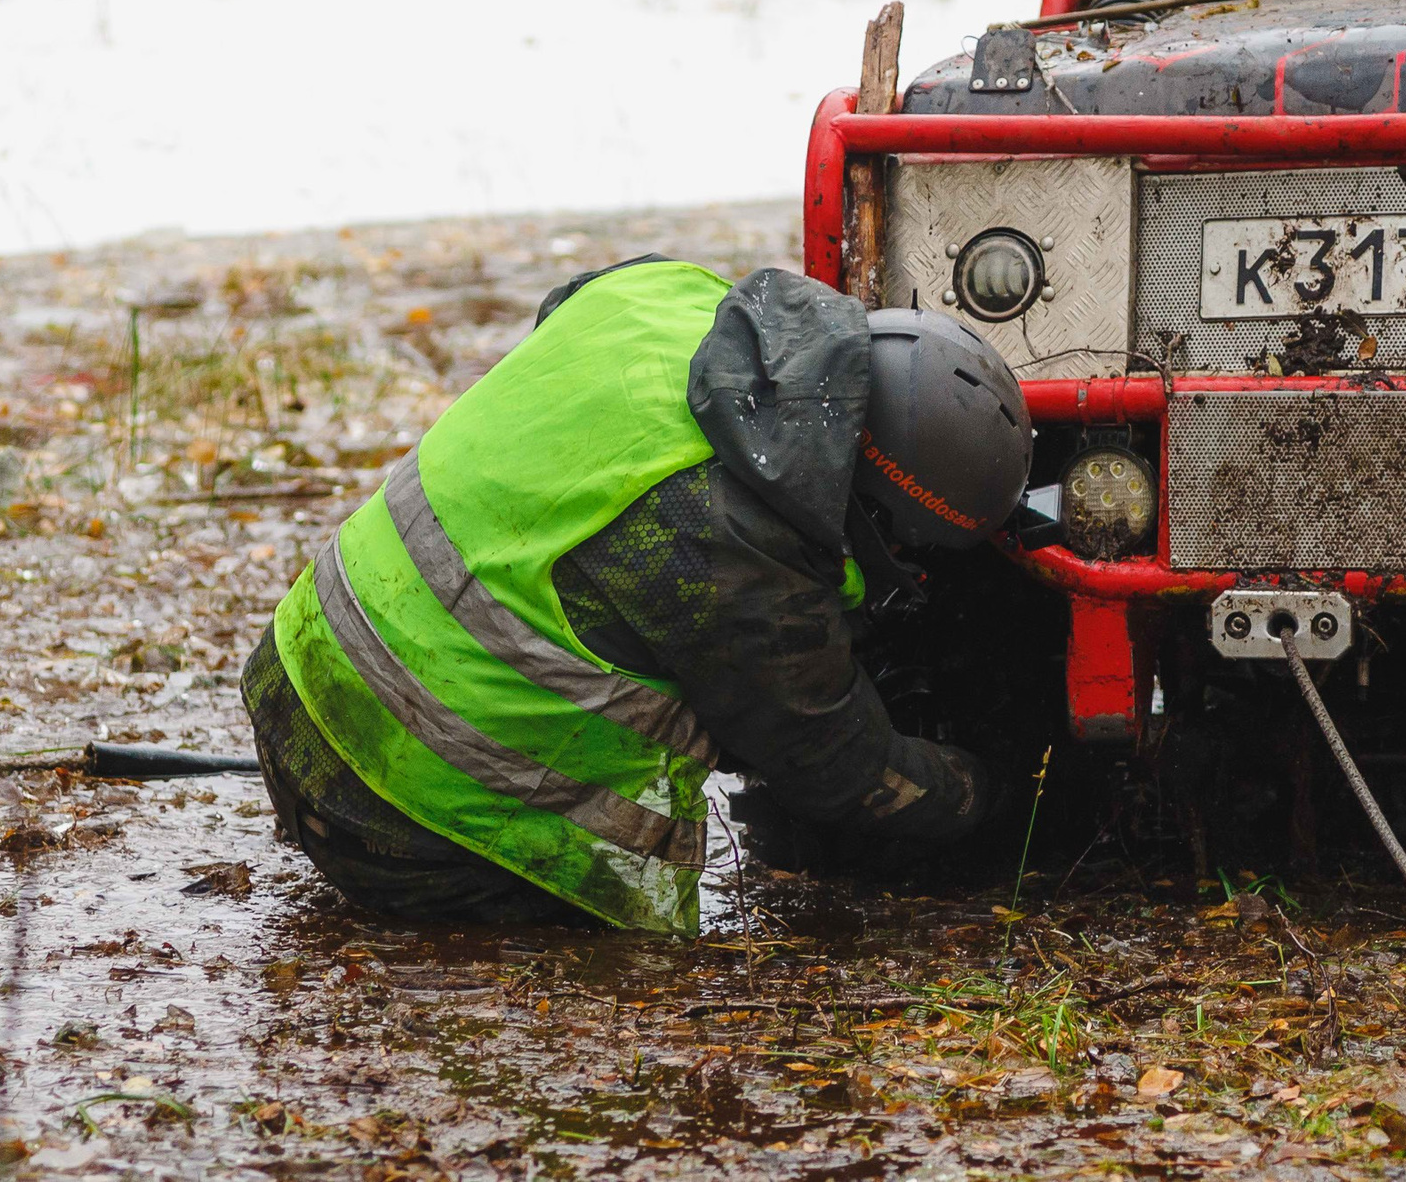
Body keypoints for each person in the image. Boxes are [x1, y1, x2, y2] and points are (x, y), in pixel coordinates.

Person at [239, 257, 1031, 932]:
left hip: (292, 669)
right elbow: (843, 769)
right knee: (610, 950)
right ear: (873, 504)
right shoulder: (734, 545)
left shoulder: (669, 293)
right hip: (390, 815)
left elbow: (567, 302)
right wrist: (1008, 793)